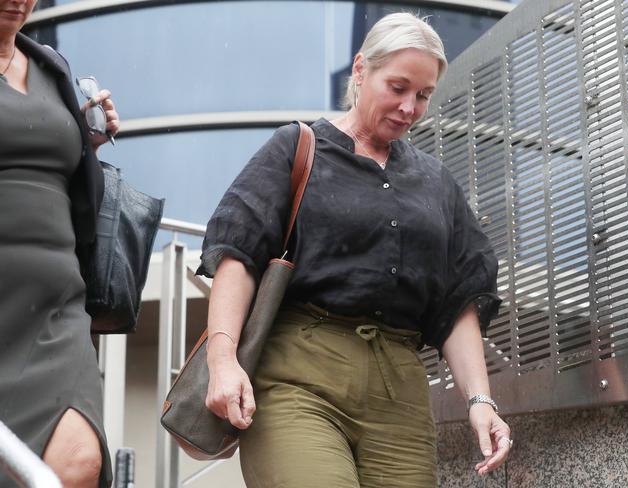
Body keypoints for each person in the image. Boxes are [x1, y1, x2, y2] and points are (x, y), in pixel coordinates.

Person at [198, 12, 511, 487]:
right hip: (298, 378)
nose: (410, 107)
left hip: (400, 393)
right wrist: (222, 361)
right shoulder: (297, 147)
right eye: (399, 87)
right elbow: (238, 256)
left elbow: (458, 301)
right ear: (362, 70)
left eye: (423, 95)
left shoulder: (436, 183)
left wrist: (480, 401)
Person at [0, 1, 120, 486]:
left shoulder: (52, 66)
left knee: (77, 463)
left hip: (55, 305)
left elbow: (70, 181)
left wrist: (87, 142)